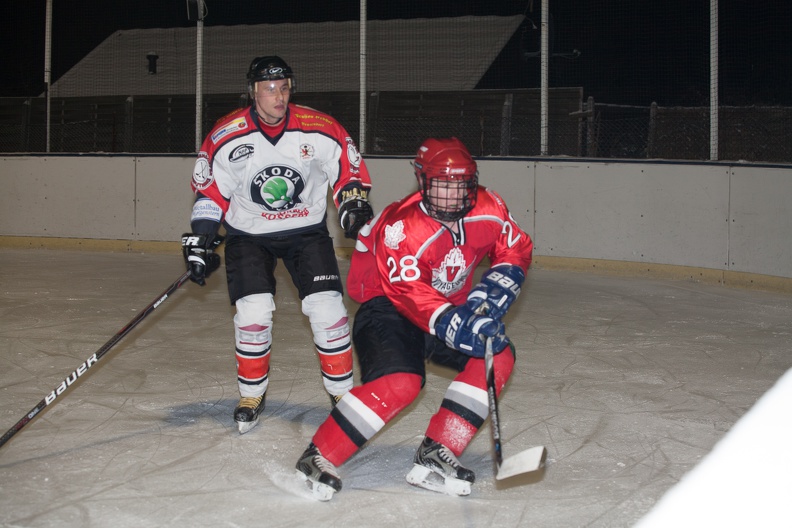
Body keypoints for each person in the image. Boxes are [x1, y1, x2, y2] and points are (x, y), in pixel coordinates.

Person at [294, 137, 533, 500]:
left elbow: (514, 249)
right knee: (402, 383)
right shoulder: (402, 226)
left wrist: (490, 299)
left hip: (447, 304)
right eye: (442, 185)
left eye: (460, 185)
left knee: (497, 353)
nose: (452, 196)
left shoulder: (490, 206)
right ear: (423, 181)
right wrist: (458, 323)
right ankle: (319, 455)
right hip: (387, 308)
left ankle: (439, 449)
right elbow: (410, 294)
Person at [181, 56, 374, 434]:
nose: (279, 96)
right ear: (252, 92)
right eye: (270, 89)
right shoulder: (227, 134)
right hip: (248, 235)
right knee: (253, 314)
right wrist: (201, 238)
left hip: (306, 232)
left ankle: (342, 393)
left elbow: (349, 173)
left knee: (327, 309)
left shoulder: (321, 128)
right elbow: (210, 191)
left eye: (284, 87)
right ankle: (251, 395)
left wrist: (352, 206)